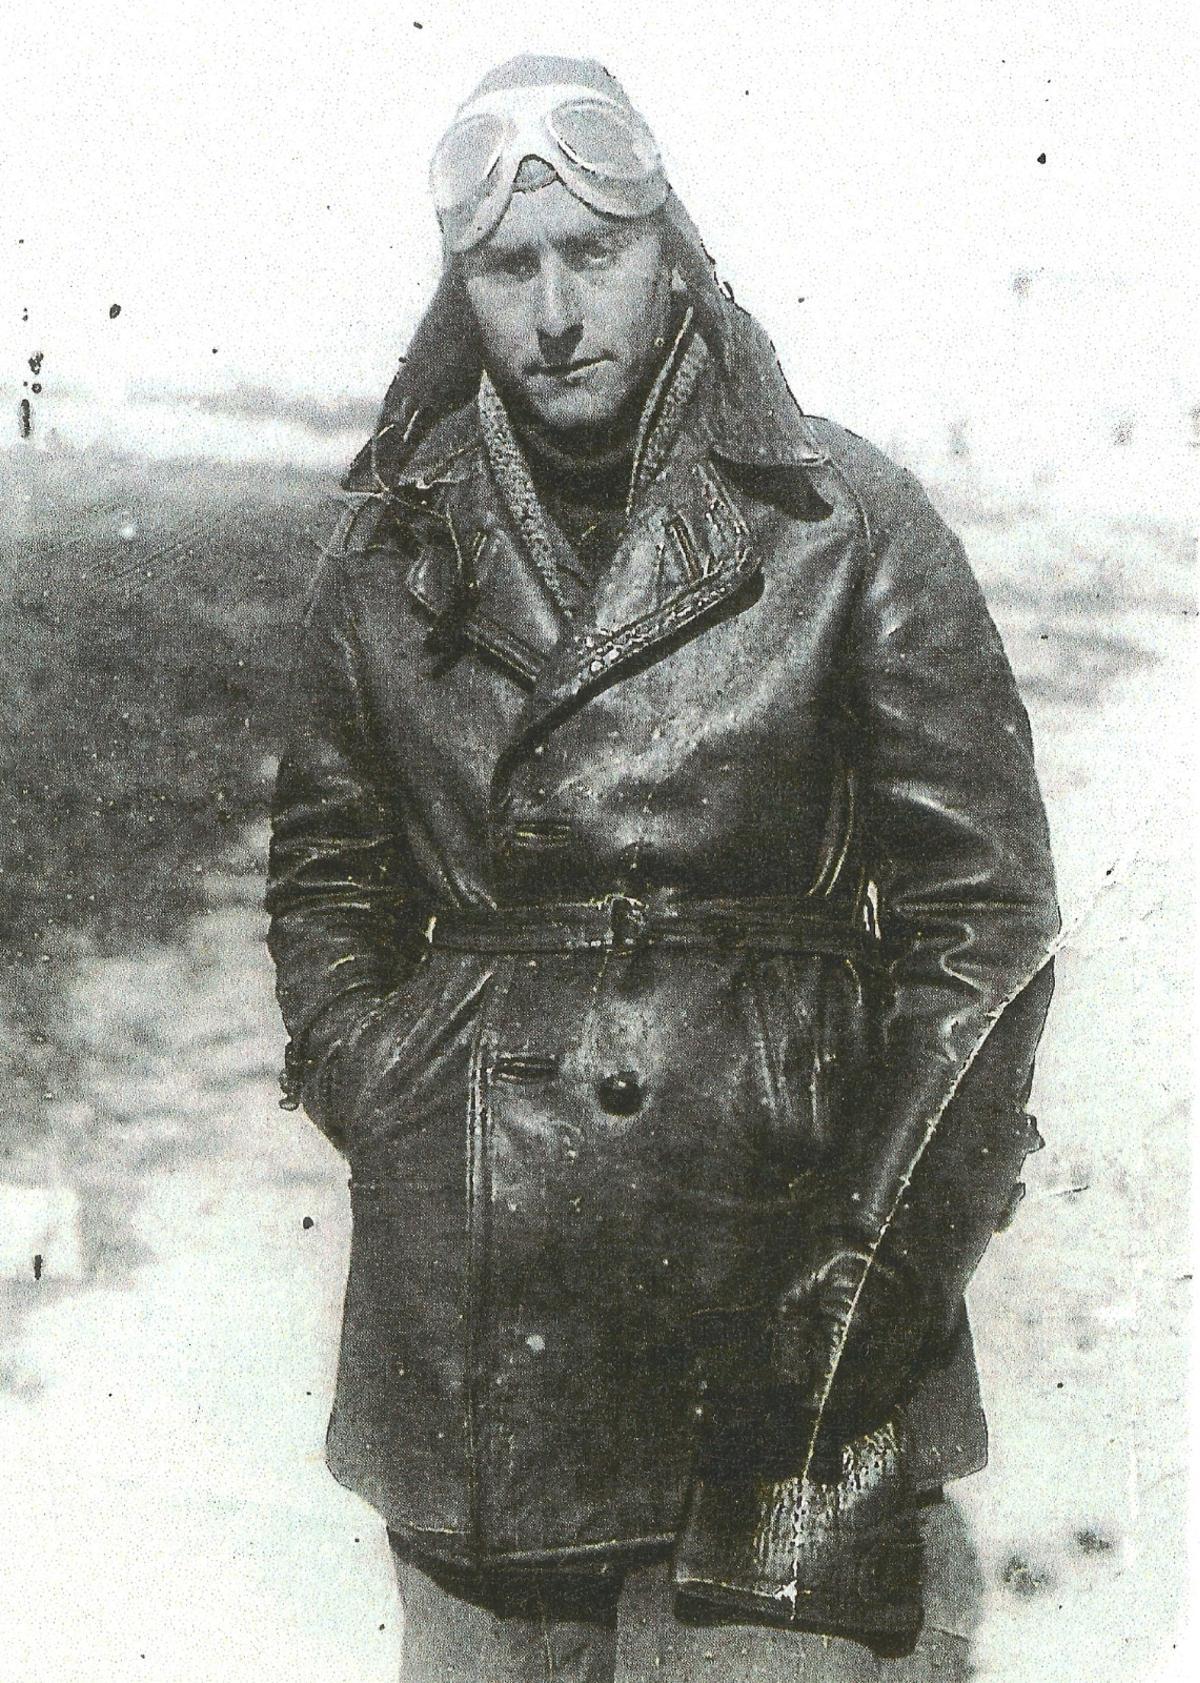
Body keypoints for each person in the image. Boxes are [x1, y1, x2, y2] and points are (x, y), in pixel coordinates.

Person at [265, 53, 1059, 1683]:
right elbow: (327, 887)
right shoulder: (386, 552)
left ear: (671, 248)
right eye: (507, 269)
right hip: (483, 1291)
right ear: (462, 288)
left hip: (785, 1288)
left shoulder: (843, 523)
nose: (555, 311)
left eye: (594, 255)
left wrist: (874, 1256)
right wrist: (391, 1088)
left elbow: (985, 927)